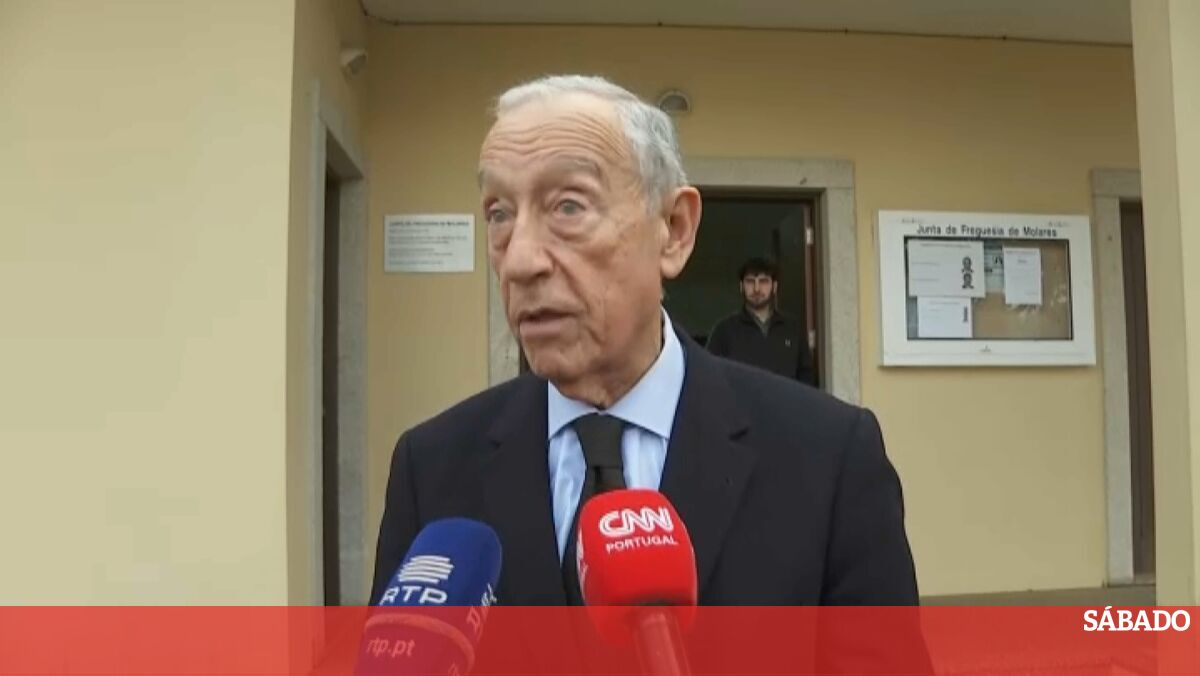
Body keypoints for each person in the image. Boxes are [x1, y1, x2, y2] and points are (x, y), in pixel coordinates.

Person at [371, 75, 920, 607]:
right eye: (499, 214)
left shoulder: (829, 458)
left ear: (674, 230)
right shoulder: (432, 468)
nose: (519, 261)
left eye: (568, 206)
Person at [707, 257, 814, 384]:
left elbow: (806, 378)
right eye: (750, 281)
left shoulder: (792, 329)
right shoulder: (724, 331)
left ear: (774, 287)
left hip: (784, 397)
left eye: (763, 281)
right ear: (741, 286)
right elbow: (710, 374)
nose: (757, 288)